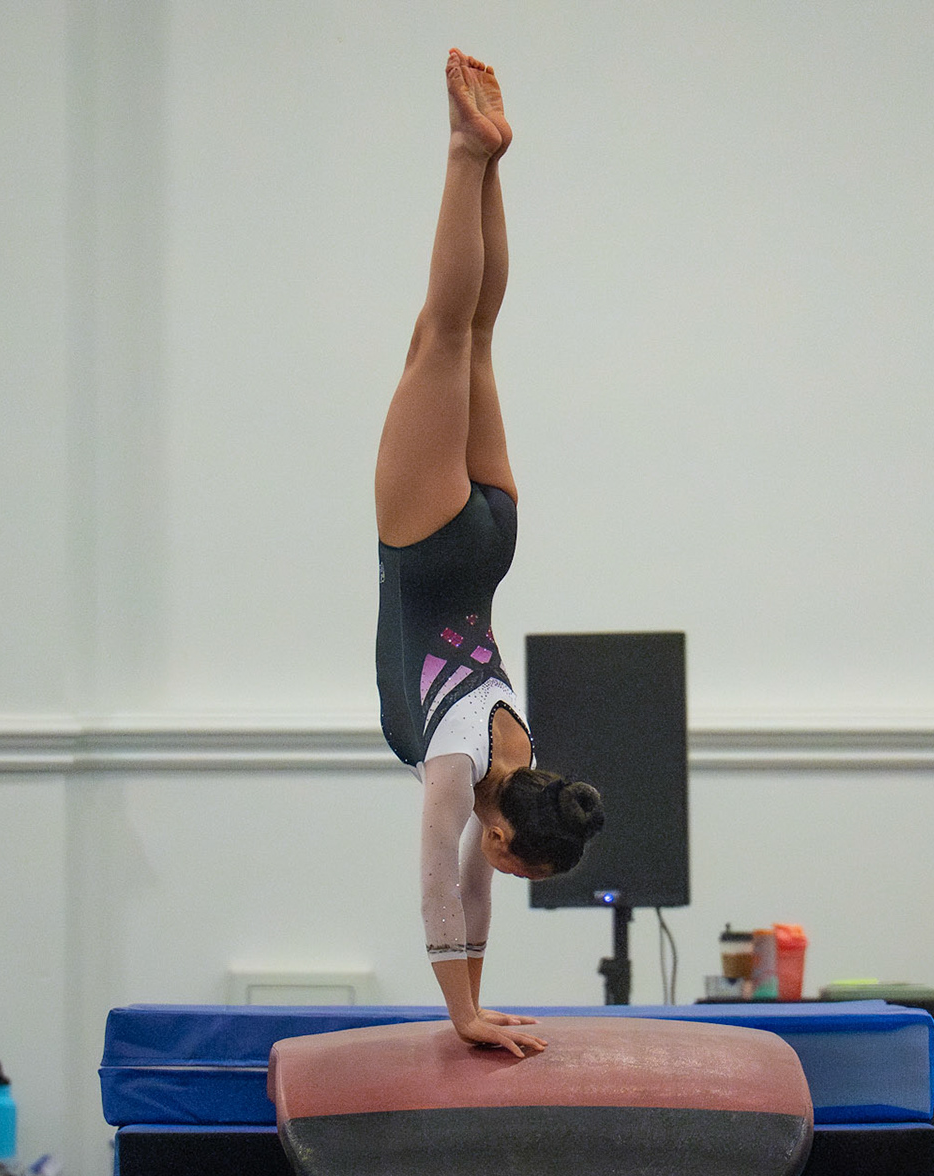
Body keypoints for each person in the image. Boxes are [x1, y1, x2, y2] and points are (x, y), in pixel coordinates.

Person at [374, 51, 605, 1060]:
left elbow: (472, 873)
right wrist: (460, 1011)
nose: (499, 871)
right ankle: (469, 155)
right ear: (507, 832)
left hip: (492, 541)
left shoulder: (516, 751)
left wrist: (473, 1003)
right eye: (515, 865)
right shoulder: (457, 766)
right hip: (430, 548)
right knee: (444, 335)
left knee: (476, 333)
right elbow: (443, 877)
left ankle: (491, 160)